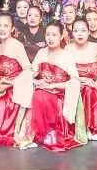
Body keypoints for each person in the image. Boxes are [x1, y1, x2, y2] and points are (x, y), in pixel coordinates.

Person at [29, 23, 87, 151]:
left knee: (40, 96)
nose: (50, 38)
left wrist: (52, 86)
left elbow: (75, 81)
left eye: (54, 35)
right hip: (43, 90)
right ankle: (39, 134)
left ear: (61, 36)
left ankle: (50, 133)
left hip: (60, 94)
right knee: (38, 95)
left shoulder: (67, 56)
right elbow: (30, 73)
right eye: (48, 35)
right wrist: (36, 81)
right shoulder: (41, 53)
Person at [0, 14, 34, 149]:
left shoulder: (17, 45)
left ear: (12, 28)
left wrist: (9, 84)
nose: (2, 29)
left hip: (14, 93)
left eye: (6, 26)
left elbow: (28, 70)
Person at [67, 19, 97, 139]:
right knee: (86, 89)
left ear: (88, 32)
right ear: (72, 33)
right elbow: (66, 72)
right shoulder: (68, 49)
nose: (80, 34)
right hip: (77, 84)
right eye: (76, 31)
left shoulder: (96, 47)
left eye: (83, 30)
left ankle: (94, 129)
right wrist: (82, 80)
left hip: (96, 85)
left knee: (90, 90)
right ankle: (88, 128)